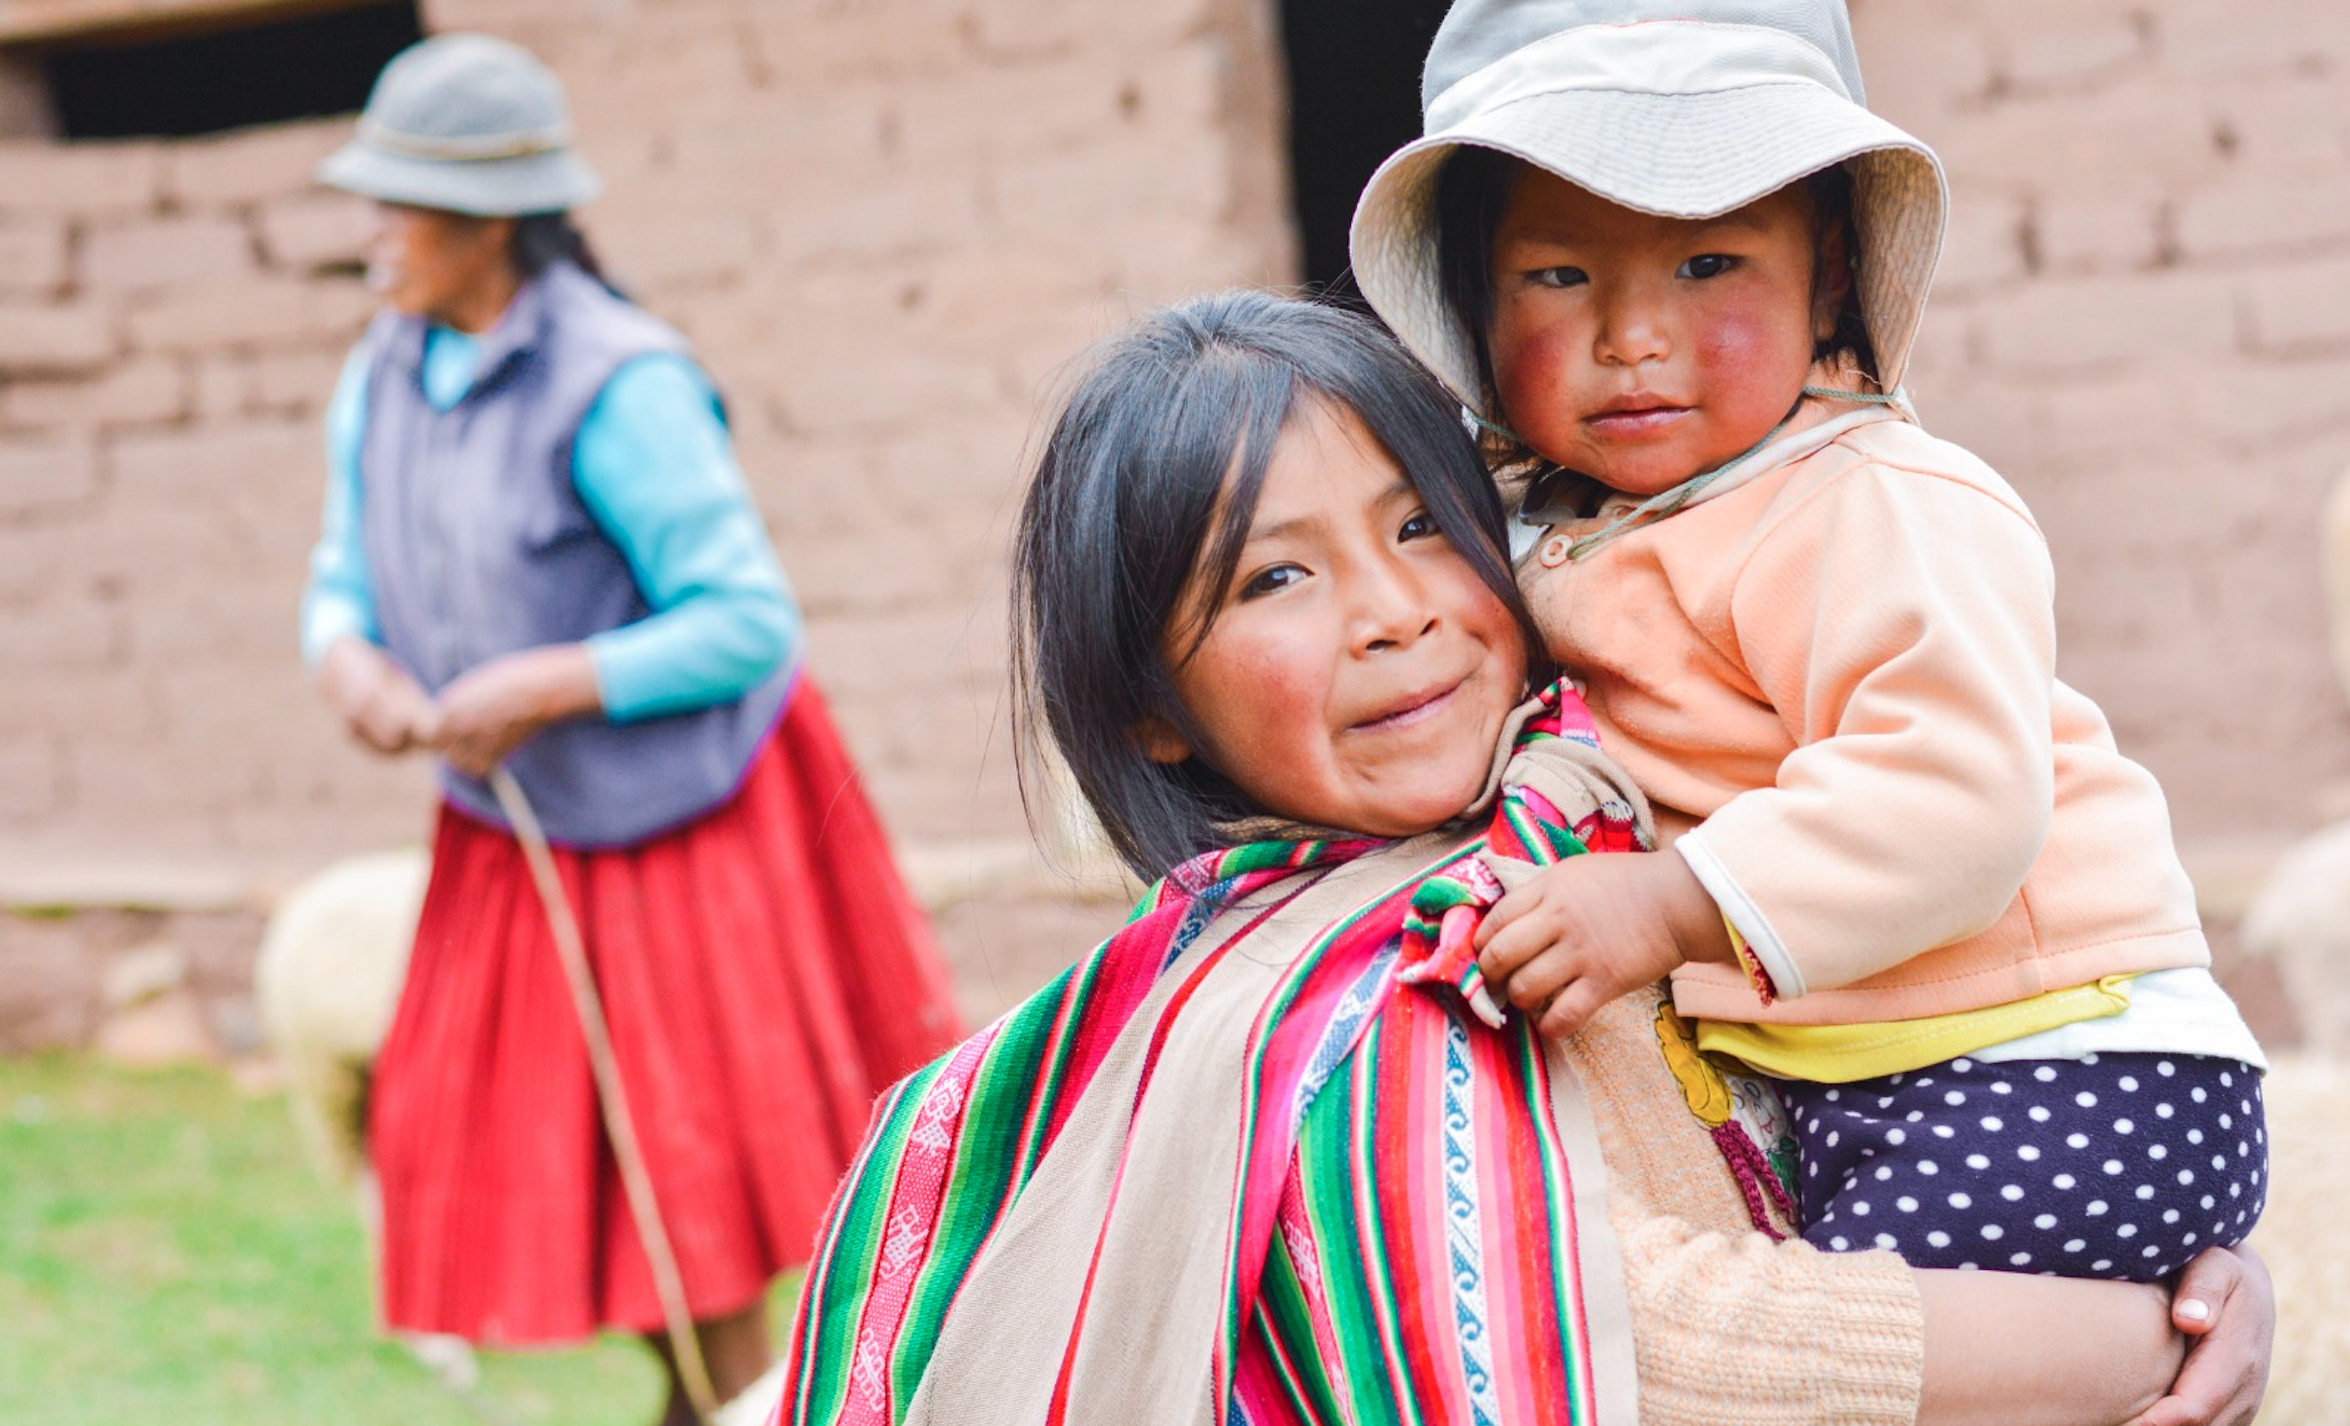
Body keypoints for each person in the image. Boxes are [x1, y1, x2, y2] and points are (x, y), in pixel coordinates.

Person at [773, 289, 2271, 1426]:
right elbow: (1645, 1343)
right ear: (1151, 710)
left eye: (1425, 524)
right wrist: (2146, 1333)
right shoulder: (1361, 996)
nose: (1392, 609)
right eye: (1275, 575)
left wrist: (2151, 1230)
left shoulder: (1605, 806)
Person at [1347, 0, 2267, 1288]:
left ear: (1826, 269)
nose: (1630, 334)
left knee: (1818, 1353)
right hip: (1861, 1071)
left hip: (2059, 1057)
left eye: (1706, 260)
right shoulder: (1546, 535)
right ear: (1472, 306)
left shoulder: (1869, 501)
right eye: (1557, 272)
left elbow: (1955, 792)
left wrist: (1667, 903)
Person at [301, 33, 959, 1424]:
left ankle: (774, 1401)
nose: (367, 231)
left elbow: (743, 618)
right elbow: (340, 574)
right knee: (582, 1170)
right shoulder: (384, 371)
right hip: (520, 833)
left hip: (681, 826)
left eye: (395, 201)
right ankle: (699, 1400)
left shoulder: (620, 382)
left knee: (696, 1173)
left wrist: (545, 682)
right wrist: (347, 656)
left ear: (488, 222)